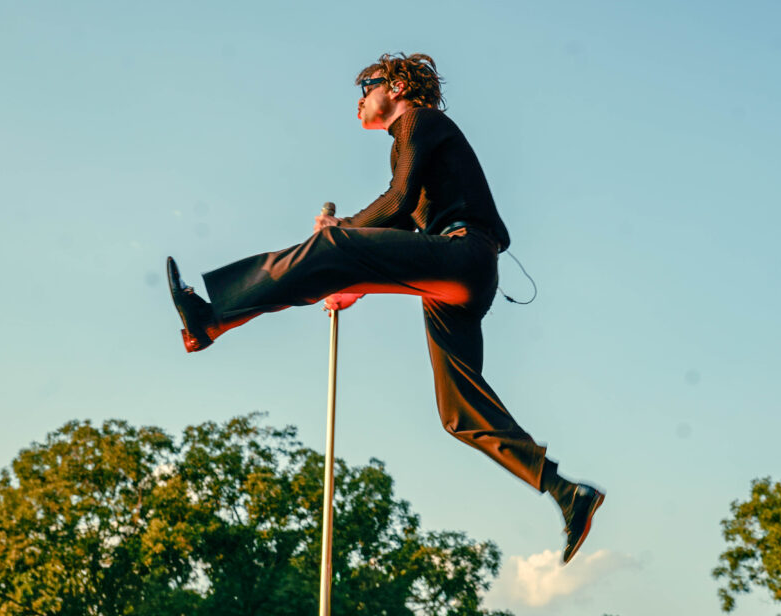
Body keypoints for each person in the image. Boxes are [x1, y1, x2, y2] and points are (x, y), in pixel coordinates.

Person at [167, 52, 604, 564]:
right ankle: (566, 492)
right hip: (457, 274)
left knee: (332, 247)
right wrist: (351, 282)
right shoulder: (408, 143)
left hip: (463, 253)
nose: (358, 101)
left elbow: (396, 202)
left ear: (395, 87)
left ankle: (212, 316)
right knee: (458, 411)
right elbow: (397, 228)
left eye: (366, 87)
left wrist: (341, 231)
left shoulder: (418, 120)